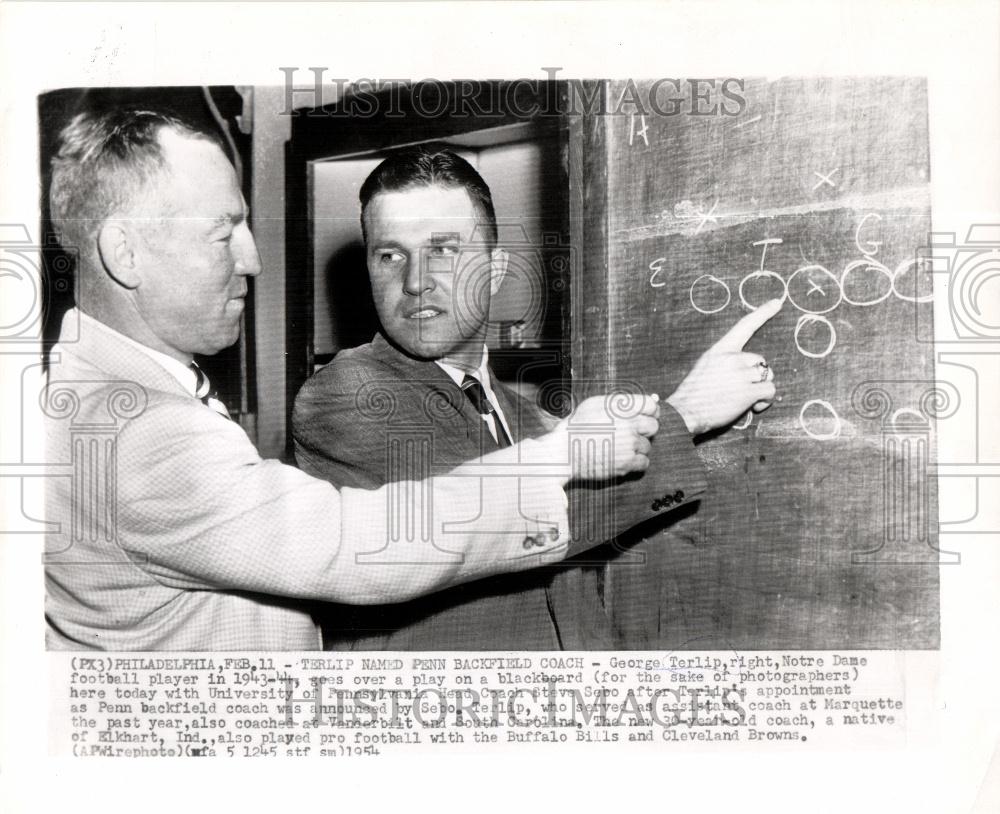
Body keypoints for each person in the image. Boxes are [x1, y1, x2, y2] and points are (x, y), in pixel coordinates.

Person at [42, 109, 672, 651]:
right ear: (124, 253)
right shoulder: (136, 430)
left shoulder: (103, 397)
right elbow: (366, 544)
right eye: (221, 231)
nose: (253, 259)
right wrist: (584, 447)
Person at [293, 145, 781, 650]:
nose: (415, 282)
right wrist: (690, 413)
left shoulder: (525, 416)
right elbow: (490, 517)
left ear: (496, 269)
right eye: (390, 255)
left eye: (444, 249)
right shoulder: (347, 394)